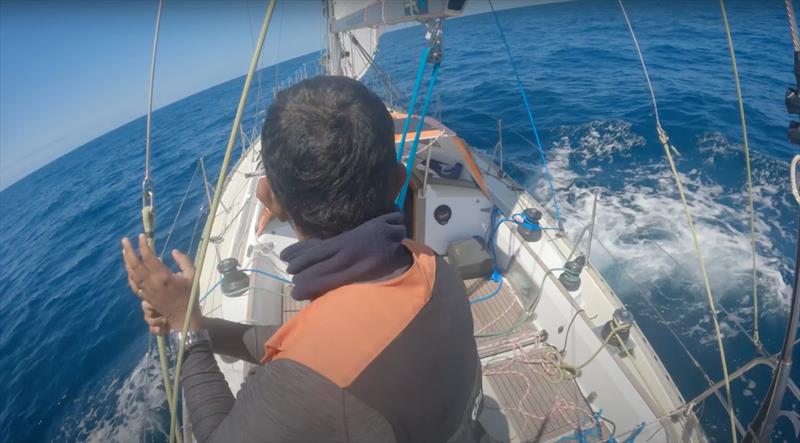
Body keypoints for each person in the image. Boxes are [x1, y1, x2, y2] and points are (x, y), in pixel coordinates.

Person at [121, 76, 484, 443]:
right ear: (398, 182)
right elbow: (310, 343)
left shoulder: (311, 386)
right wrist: (200, 324)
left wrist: (188, 330)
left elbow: (314, 362)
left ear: (269, 198)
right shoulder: (434, 267)